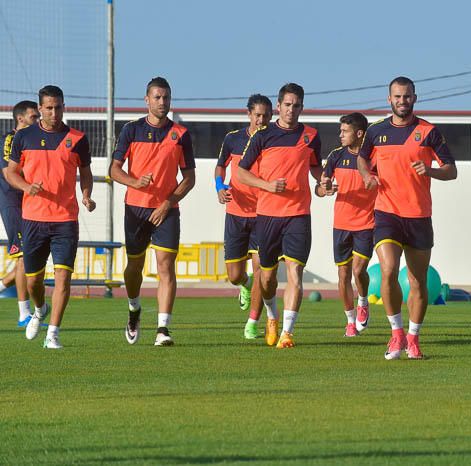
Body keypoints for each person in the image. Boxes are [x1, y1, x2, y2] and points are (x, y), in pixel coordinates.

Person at [357, 76, 457, 360]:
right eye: (397, 97)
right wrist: (367, 175)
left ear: (415, 98)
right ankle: (396, 334)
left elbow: (451, 169)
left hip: (418, 216)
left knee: (417, 281)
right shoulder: (376, 131)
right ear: (389, 99)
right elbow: (363, 158)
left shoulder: (428, 132)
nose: (402, 101)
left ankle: (413, 338)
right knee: (388, 269)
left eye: (407, 96)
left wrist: (431, 171)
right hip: (387, 211)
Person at [6, 85, 96, 349]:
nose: (54, 112)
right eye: (48, 108)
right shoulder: (24, 138)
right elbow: (11, 173)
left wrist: (86, 195)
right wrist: (26, 187)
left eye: (58, 107)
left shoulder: (78, 138)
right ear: (40, 108)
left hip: (66, 220)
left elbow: (86, 172)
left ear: (64, 106)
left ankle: (53, 333)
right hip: (33, 219)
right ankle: (39, 309)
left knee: (63, 277)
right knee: (33, 280)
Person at [110, 77, 196, 347]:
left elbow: (190, 178)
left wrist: (168, 203)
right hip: (135, 209)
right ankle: (134, 309)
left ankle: (163, 328)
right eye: (157, 97)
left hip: (167, 210)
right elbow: (113, 170)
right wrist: (134, 182)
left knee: (165, 267)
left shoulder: (180, 134)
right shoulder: (131, 130)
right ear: (146, 99)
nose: (162, 102)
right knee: (134, 266)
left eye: (166, 97)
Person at [237, 83, 322, 349]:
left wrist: (324, 183)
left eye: (297, 105)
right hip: (267, 215)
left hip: (298, 214)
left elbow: (317, 169)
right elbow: (241, 172)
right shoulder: (263, 135)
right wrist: (267, 185)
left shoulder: (311, 135)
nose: (292, 110)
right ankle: (272, 317)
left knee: (295, 273)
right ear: (278, 106)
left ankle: (287, 333)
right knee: (266, 278)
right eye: (287, 105)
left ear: (302, 107)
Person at [215, 94, 272, 339]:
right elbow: (220, 166)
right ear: (248, 114)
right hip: (236, 213)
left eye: (266, 115)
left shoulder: (274, 140)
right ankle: (245, 286)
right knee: (234, 275)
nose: (261, 120)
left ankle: (252, 323)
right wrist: (219, 186)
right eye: (257, 115)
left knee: (261, 268)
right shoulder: (233, 139)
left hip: (264, 214)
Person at [319, 112, 375, 337]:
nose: (340, 135)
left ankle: (363, 301)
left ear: (359, 133)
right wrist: (325, 188)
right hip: (341, 224)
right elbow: (320, 189)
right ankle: (350, 321)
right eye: (340, 131)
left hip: (367, 222)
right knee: (343, 275)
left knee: (359, 270)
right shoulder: (335, 156)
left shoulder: (374, 157)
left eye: (345, 131)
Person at [1, 100, 39, 327]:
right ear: (20, 119)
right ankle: (24, 314)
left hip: (29, 203)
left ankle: (2, 286)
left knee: (28, 257)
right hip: (13, 203)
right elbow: (10, 173)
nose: (38, 120)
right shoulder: (9, 140)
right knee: (25, 257)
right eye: (34, 116)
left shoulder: (33, 140)